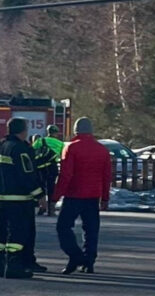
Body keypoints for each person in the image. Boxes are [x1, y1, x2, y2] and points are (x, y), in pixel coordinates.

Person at [0, 118, 47, 279]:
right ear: (23, 130)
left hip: (0, 198)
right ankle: (14, 267)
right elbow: (28, 175)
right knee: (17, 233)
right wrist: (40, 195)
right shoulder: (21, 149)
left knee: (0, 232)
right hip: (19, 199)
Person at [52, 117, 111, 274]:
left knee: (63, 227)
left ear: (75, 131)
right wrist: (105, 198)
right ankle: (89, 261)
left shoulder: (71, 148)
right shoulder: (102, 150)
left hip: (74, 194)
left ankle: (75, 255)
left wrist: (55, 196)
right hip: (93, 195)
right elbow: (107, 176)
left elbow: (66, 174)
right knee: (91, 229)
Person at [33, 125, 64, 216]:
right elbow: (62, 156)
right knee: (51, 188)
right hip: (52, 167)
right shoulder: (60, 143)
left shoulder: (40, 140)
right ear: (56, 133)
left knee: (41, 187)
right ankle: (51, 209)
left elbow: (32, 151)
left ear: (48, 132)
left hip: (40, 167)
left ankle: (42, 206)